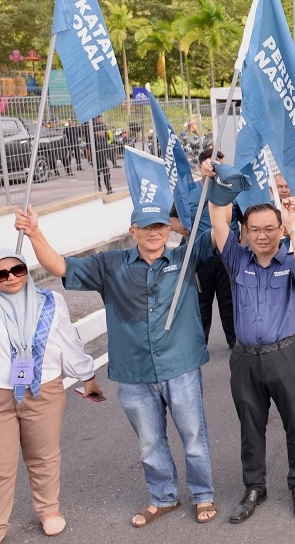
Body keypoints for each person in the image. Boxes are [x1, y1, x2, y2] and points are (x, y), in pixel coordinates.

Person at [15, 203, 218, 528]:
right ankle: (163, 497)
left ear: (168, 230)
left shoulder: (185, 257)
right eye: (145, 227)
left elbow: (220, 235)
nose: (153, 233)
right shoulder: (110, 264)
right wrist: (35, 232)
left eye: (159, 226)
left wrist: (214, 187)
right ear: (132, 230)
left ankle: (203, 494)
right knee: (150, 441)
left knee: (194, 435)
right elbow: (60, 266)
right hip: (134, 373)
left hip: (180, 365)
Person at [203, 161, 295, 524]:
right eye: (255, 230)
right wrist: (214, 182)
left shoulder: (289, 258)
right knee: (250, 427)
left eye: (269, 229)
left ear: (279, 230)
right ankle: (255, 487)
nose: (263, 235)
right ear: (246, 233)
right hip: (245, 359)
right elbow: (218, 223)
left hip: (284, 355)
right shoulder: (237, 261)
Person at [0, 251, 101, 539]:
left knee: (43, 456)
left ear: (26, 270)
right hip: (1, 395)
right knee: (1, 465)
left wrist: (87, 376)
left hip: (42, 389)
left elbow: (68, 342)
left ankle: (48, 510)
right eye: (2, 273)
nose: (10, 277)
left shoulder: (49, 302)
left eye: (17, 270)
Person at [192, 148, 237, 349]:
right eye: (214, 165)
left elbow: (240, 221)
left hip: (226, 256)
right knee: (202, 304)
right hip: (202, 258)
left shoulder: (231, 190)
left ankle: (234, 342)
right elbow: (174, 218)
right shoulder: (190, 192)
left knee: (228, 303)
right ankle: (200, 345)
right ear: (202, 166)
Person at [93, 116, 113, 193]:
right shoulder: (94, 129)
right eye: (100, 132)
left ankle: (109, 189)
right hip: (97, 158)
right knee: (97, 174)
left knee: (106, 173)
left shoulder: (104, 127)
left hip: (103, 157)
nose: (102, 133)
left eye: (103, 131)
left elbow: (107, 147)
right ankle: (99, 189)